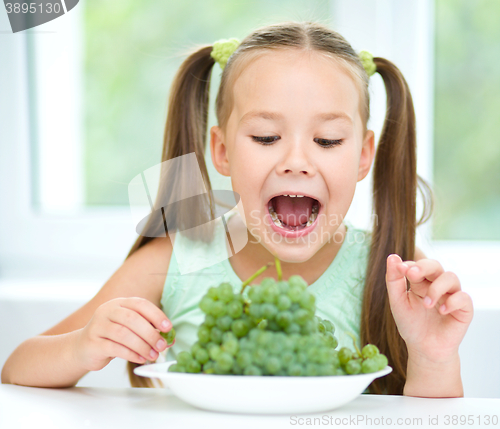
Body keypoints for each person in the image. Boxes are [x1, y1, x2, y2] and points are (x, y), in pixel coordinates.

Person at [1, 21, 473, 397]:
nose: (296, 161)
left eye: (327, 140)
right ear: (221, 150)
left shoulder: (393, 273)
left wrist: (433, 358)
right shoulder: (174, 261)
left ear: (364, 156)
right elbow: (17, 369)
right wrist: (82, 347)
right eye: (266, 137)